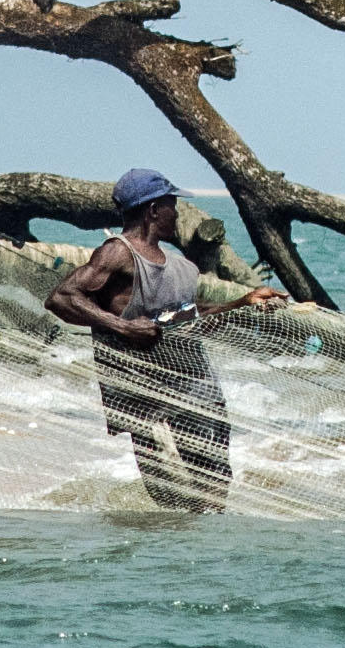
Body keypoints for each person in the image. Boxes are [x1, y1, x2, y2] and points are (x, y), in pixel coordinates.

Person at [51, 169, 246, 513]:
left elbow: (184, 315)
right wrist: (121, 328)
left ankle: (198, 546)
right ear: (153, 210)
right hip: (141, 389)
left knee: (215, 478)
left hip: (191, 382)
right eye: (173, 204)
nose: (178, 212)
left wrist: (242, 304)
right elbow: (62, 298)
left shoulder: (181, 266)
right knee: (164, 487)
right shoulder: (118, 253)